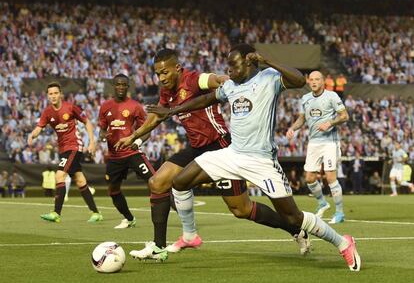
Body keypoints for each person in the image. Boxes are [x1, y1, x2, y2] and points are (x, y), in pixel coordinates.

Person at [149, 44, 361, 271]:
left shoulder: (269, 78)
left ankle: (343, 242)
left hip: (261, 161)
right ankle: (190, 235)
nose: (228, 70)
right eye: (227, 65)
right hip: (232, 154)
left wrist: (267, 60)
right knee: (180, 182)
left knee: (293, 218)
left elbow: (299, 81)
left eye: (233, 64)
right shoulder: (230, 85)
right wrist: (172, 111)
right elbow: (206, 100)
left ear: (250, 62)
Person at [115, 48, 310, 261]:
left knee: (241, 210)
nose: (161, 78)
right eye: (157, 74)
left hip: (220, 146)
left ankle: (295, 229)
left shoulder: (194, 80)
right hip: (196, 147)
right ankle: (160, 247)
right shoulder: (167, 91)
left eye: (165, 73)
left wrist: (237, 80)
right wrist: (134, 136)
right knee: (158, 182)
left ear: (177, 68)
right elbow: (156, 118)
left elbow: (217, 80)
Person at [28, 82, 102, 223]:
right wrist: (32, 135)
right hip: (63, 149)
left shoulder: (71, 107)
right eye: (50, 94)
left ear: (60, 94)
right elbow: (39, 128)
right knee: (80, 180)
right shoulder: (47, 112)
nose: (53, 96)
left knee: (59, 175)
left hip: (74, 146)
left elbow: (87, 122)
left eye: (56, 93)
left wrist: (92, 142)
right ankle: (96, 213)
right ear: (48, 96)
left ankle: (56, 213)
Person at [287, 71, 349, 224]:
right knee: (309, 178)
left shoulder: (332, 96)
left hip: (330, 142)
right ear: (308, 82)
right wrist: (293, 128)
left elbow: (345, 116)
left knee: (330, 176)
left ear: (322, 82)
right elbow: (302, 118)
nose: (314, 82)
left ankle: (340, 213)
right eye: (312, 80)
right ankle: (322, 203)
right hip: (314, 142)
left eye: (317, 79)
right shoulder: (305, 98)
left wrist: (331, 123)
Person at [98, 73, 155, 229]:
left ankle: (183, 217)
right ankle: (129, 219)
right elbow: (102, 130)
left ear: (128, 87)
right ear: (113, 86)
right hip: (114, 157)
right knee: (113, 190)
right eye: (118, 84)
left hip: (132, 153)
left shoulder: (135, 106)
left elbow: (147, 130)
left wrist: (137, 141)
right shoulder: (105, 106)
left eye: (124, 84)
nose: (121, 87)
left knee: (156, 182)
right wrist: (103, 136)